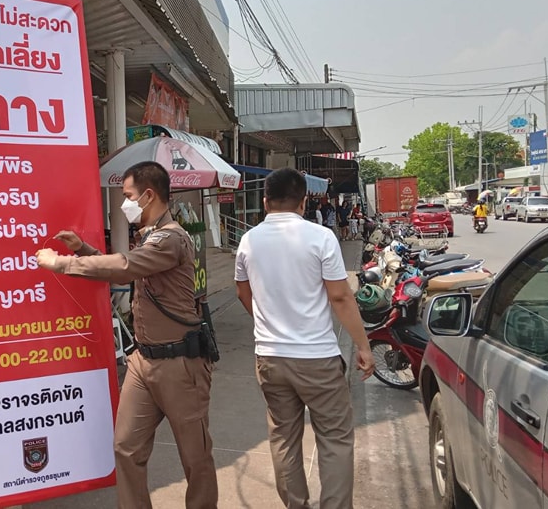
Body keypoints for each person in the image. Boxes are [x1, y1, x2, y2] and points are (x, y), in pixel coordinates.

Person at [35, 161, 218, 509]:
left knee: (196, 459)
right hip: (143, 362)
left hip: (180, 365)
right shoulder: (150, 238)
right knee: (126, 448)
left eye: (128, 195)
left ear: (148, 195)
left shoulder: (171, 238)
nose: (124, 204)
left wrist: (61, 263)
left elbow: (125, 266)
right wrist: (82, 249)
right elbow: (127, 267)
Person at [234, 168, 375, 509]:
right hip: (317, 358)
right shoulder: (320, 237)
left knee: (283, 438)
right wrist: (363, 345)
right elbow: (340, 296)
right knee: (335, 440)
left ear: (265, 201)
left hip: (270, 358)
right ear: (303, 202)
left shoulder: (249, 240)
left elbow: (242, 291)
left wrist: (266, 321)